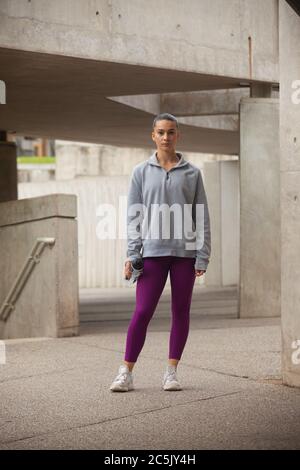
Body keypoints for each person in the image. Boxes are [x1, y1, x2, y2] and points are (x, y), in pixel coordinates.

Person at [110, 113, 211, 392]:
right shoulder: (140, 172)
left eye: (171, 132)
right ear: (153, 135)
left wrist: (202, 255)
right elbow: (134, 217)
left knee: (181, 311)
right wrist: (133, 254)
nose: (166, 137)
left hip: (185, 255)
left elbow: (201, 217)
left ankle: (171, 372)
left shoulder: (193, 173)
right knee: (142, 311)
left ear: (178, 135)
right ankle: (126, 372)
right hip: (152, 253)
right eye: (161, 132)